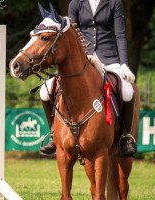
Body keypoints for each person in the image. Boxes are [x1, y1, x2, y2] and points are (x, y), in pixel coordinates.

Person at [39, 0, 137, 158]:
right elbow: (70, 34)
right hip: (84, 60)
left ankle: (125, 137)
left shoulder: (114, 3)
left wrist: (124, 64)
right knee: (45, 91)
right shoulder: (75, 4)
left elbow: (120, 35)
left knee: (127, 91)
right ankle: (53, 135)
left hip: (109, 59)